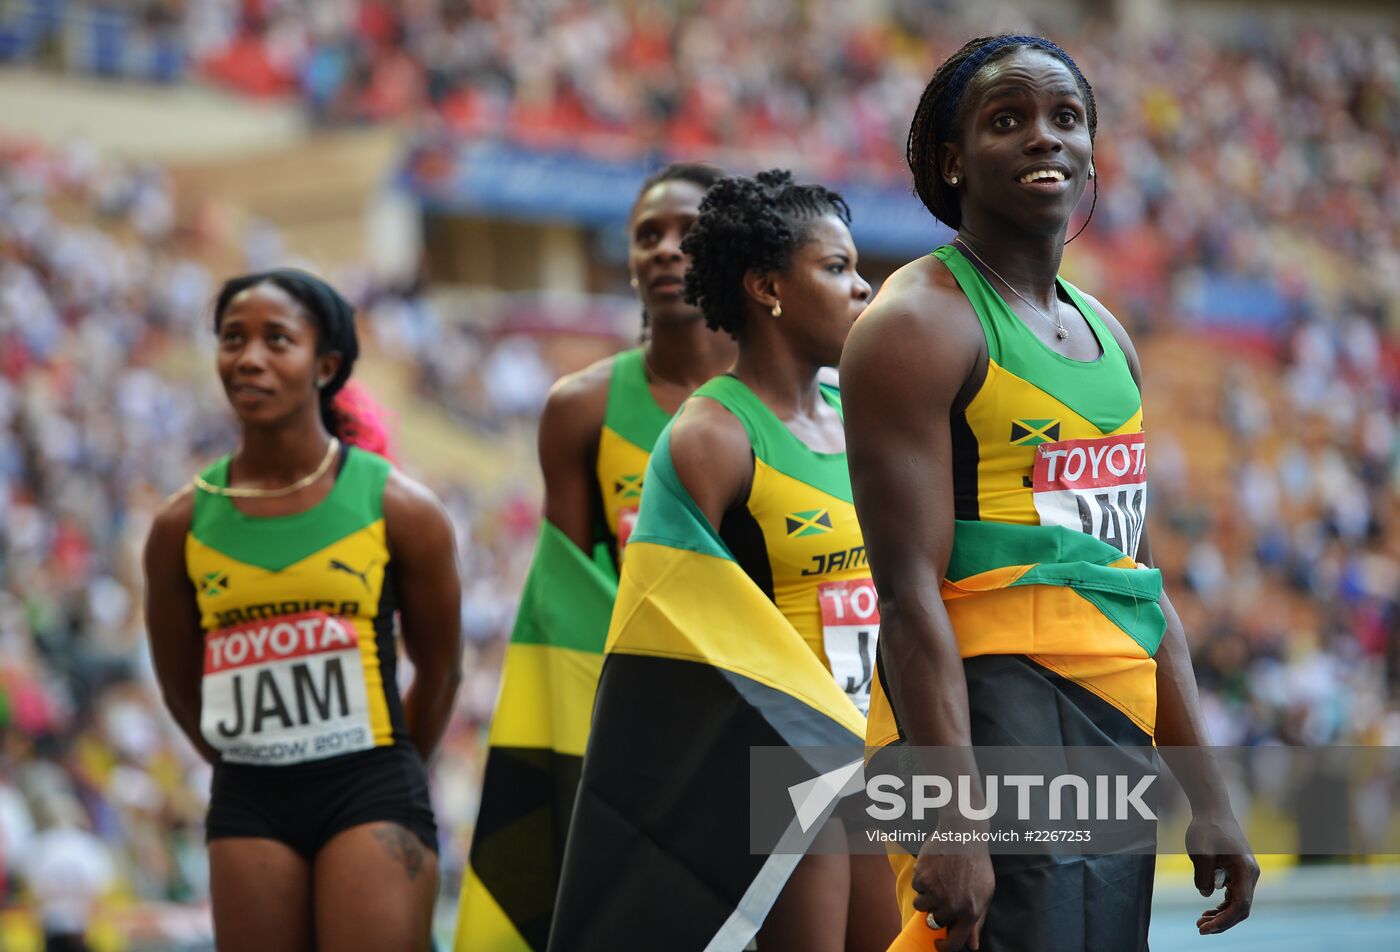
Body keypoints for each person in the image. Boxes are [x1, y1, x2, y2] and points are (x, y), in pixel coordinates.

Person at [840, 35, 1260, 951]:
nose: (1045, 139)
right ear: (951, 162)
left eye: (1066, 119)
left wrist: (1210, 795)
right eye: (1008, 120)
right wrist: (949, 817)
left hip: (1112, 721)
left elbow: (1138, 581)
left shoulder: (1110, 336)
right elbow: (907, 595)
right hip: (988, 713)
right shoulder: (915, 325)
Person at [550, 170, 897, 952]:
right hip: (784, 772)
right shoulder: (710, 438)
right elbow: (665, 634)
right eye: (837, 269)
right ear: (768, 286)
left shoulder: (865, 414)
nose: (863, 287)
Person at [455, 162, 737, 951]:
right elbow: (570, 599)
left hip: (773, 724)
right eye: (649, 235)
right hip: (638, 737)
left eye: (690, 233)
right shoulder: (580, 409)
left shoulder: (805, 408)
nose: (667, 251)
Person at [143, 270, 462, 952]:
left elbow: (440, 672)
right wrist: (259, 756)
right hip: (250, 795)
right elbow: (179, 687)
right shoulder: (179, 526)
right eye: (233, 339)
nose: (249, 357)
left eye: (276, 339)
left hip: (370, 786)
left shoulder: (399, 508)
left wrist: (394, 769)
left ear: (326, 365)